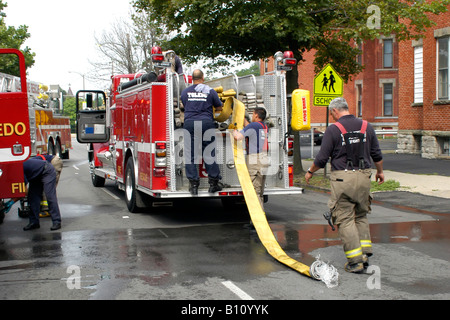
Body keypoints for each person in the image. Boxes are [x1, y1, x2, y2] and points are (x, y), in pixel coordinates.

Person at [305, 97, 384, 273]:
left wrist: (310, 171)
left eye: (331, 113)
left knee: (345, 218)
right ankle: (364, 253)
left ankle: (355, 262)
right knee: (361, 214)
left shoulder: (333, 130)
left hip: (343, 179)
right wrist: (380, 172)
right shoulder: (366, 126)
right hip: (364, 177)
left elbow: (322, 158)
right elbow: (376, 154)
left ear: (334, 111)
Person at [181, 69, 223, 195]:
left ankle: (194, 185)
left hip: (190, 123)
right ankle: (213, 184)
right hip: (206, 123)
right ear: (203, 78)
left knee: (191, 154)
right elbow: (219, 107)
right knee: (209, 153)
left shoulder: (185, 92)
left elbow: (184, 106)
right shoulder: (210, 91)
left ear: (192, 78)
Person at [233, 107, 269, 210]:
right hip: (264, 158)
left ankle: (256, 223)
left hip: (255, 159)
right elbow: (249, 127)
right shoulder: (263, 126)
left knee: (253, 192)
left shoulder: (254, 125)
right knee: (259, 192)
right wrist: (243, 119)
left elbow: (238, 137)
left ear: (256, 115)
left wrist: (233, 129)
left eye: (253, 114)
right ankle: (257, 221)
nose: (252, 116)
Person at [22, 155, 62, 231]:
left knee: (50, 196)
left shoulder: (19, 169)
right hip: (36, 175)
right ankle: (34, 223)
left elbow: (24, 191)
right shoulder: (19, 168)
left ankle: (56, 221)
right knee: (33, 197)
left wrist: (11, 202)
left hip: (47, 170)